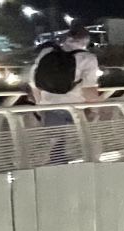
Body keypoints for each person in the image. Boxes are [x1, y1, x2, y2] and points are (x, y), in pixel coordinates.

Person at [27, 21, 102, 166]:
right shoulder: (88, 58)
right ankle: (81, 172)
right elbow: (89, 91)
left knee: (55, 145)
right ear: (86, 40)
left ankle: (56, 170)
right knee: (85, 144)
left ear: (66, 37)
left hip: (49, 107)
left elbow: (33, 81)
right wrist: (94, 111)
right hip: (76, 109)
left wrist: (39, 105)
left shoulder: (47, 53)